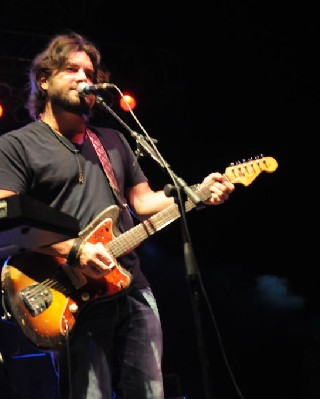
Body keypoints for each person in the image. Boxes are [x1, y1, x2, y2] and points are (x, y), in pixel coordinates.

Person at [0, 31, 235, 398]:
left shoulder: (111, 139)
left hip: (131, 286)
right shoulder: (16, 145)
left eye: (90, 73)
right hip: (67, 295)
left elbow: (143, 203)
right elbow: (6, 217)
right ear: (43, 80)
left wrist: (199, 194)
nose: (84, 79)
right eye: (71, 69)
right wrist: (74, 251)